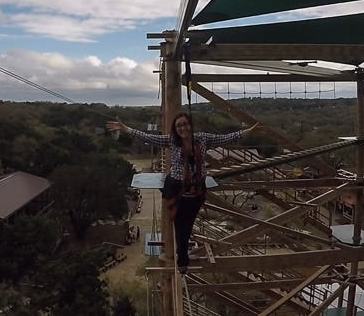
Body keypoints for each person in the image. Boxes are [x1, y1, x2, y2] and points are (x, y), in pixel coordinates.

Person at [108, 112, 259, 274]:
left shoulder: (202, 139)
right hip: (177, 189)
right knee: (181, 226)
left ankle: (183, 253)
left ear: (190, 125)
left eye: (185, 124)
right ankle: (183, 260)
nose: (183, 128)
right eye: (179, 126)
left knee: (188, 223)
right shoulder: (172, 140)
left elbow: (227, 138)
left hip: (196, 189)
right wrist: (127, 129)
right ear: (176, 129)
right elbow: (148, 138)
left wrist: (248, 131)